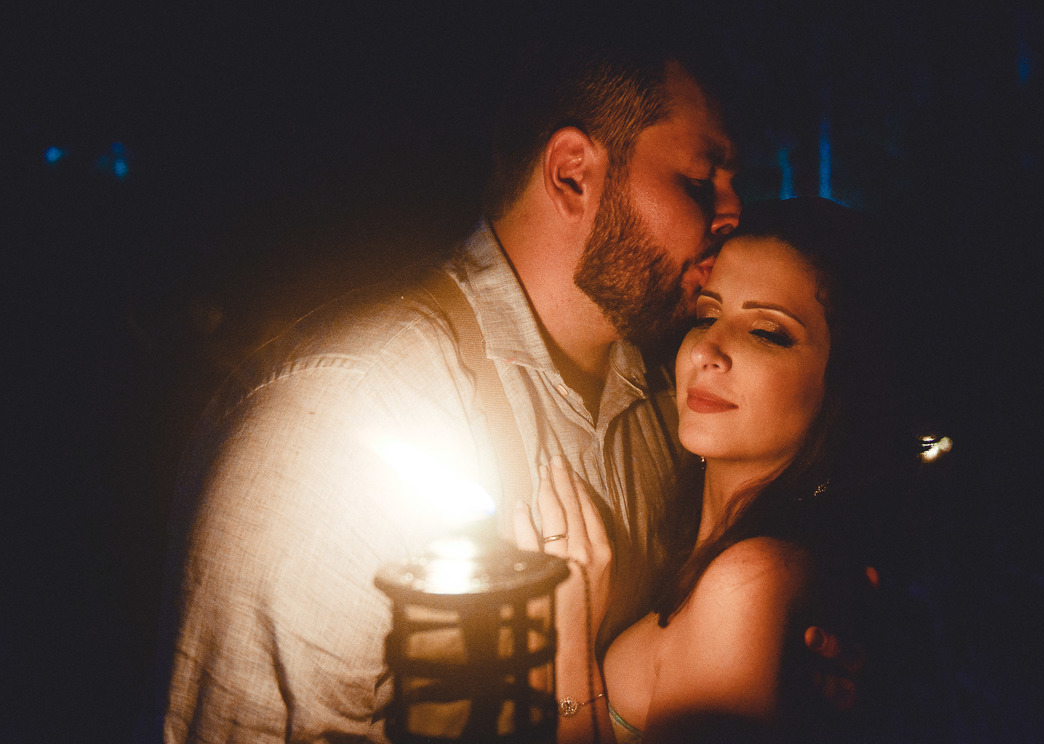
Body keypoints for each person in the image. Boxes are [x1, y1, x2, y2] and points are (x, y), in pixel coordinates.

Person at [159, 37, 743, 742]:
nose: (733, 212)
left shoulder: (663, 406)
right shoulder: (344, 414)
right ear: (571, 175)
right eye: (700, 180)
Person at [517, 197, 897, 743]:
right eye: (707, 316)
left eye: (767, 332)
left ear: (840, 387)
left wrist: (567, 650)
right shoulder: (709, 548)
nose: (708, 351)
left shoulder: (750, 579)